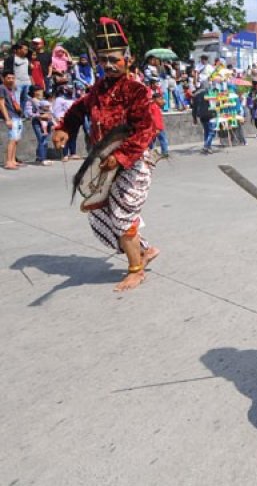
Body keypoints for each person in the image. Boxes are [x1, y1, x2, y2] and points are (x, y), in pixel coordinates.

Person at [52, 17, 160, 292]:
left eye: (115, 59)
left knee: (122, 216)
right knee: (100, 214)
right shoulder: (97, 90)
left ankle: (136, 270)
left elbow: (145, 130)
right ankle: (144, 249)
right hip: (104, 164)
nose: (110, 65)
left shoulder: (137, 91)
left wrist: (121, 156)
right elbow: (77, 110)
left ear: (128, 58)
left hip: (133, 164)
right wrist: (65, 128)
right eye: (104, 60)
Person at [24, 84, 54, 165]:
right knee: (41, 139)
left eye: (41, 90)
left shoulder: (44, 101)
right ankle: (42, 159)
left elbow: (51, 111)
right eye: (38, 90)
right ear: (34, 92)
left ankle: (41, 157)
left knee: (45, 140)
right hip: (37, 122)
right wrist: (40, 116)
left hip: (47, 122)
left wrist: (50, 118)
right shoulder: (30, 101)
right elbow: (29, 113)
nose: (41, 92)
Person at [0, 70, 24, 170]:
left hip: (16, 115)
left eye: (12, 78)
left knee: (16, 140)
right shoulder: (2, 88)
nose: (11, 80)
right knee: (12, 139)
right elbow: (1, 104)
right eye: (8, 78)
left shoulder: (12, 88)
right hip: (11, 116)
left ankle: (13, 159)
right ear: (3, 78)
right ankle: (8, 162)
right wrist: (7, 119)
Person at [4, 43, 32, 112]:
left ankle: (23, 114)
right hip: (17, 83)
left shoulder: (27, 59)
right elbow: (7, 72)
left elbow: (29, 72)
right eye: (25, 49)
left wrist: (31, 82)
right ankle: (16, 115)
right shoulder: (11, 58)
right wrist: (11, 83)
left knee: (25, 100)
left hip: (27, 82)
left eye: (27, 49)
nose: (26, 51)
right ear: (19, 50)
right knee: (16, 100)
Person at [192, 82, 216, 154]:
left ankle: (208, 147)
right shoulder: (210, 93)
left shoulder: (196, 95)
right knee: (212, 131)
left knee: (206, 131)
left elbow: (194, 108)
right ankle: (206, 146)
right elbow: (213, 104)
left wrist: (194, 118)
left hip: (201, 115)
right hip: (210, 114)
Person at [148, 91, 169, 157]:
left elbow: (164, 104)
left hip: (156, 127)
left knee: (153, 141)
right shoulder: (153, 107)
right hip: (157, 127)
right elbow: (155, 118)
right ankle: (164, 152)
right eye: (159, 98)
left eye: (161, 98)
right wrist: (157, 128)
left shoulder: (154, 105)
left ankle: (152, 153)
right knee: (162, 139)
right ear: (154, 99)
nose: (161, 100)